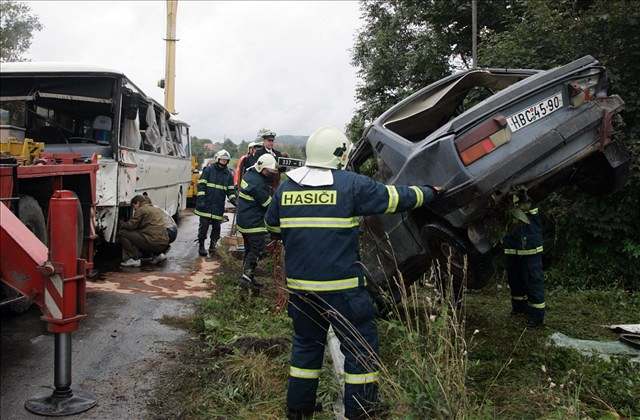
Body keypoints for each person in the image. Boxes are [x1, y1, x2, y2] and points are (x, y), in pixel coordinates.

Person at [265, 127, 442, 420]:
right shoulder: (350, 185)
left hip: (301, 291)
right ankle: (361, 412)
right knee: (360, 349)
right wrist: (430, 193)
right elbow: (394, 199)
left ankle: (298, 411)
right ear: (339, 154)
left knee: (306, 348)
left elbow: (273, 228)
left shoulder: (286, 189)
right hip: (343, 291)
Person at [236, 153, 278, 290]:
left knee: (249, 250)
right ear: (261, 168)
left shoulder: (250, 174)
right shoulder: (258, 184)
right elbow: (269, 205)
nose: (270, 174)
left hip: (244, 220)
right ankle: (246, 278)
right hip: (253, 223)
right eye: (268, 171)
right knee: (257, 249)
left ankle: (248, 277)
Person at [503, 207, 545, 327]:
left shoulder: (530, 192)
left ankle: (536, 316)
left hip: (529, 243)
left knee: (533, 280)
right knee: (514, 278)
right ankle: (519, 309)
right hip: (512, 242)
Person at [194, 149, 237, 257]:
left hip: (218, 206)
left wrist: (235, 201)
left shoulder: (228, 174)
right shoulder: (208, 170)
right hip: (206, 205)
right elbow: (201, 186)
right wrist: (201, 201)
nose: (224, 161)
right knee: (203, 227)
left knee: (217, 228)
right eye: (222, 159)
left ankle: (212, 247)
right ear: (217, 159)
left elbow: (230, 191)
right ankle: (201, 246)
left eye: (226, 160)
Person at [118, 195, 171, 267]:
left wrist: (122, 223)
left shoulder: (141, 210)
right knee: (148, 234)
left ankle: (133, 259)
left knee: (122, 233)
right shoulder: (156, 209)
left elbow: (131, 226)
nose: (134, 209)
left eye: (134, 207)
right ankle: (158, 255)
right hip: (164, 244)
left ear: (137, 203)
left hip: (153, 242)